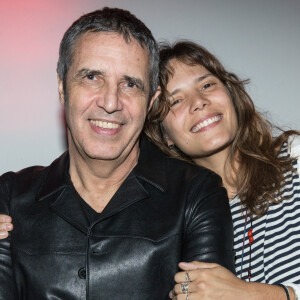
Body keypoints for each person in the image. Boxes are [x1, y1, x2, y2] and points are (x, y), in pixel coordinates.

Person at [0, 9, 235, 299]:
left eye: (130, 84)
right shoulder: (10, 196)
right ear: (62, 89)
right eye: (92, 77)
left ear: (151, 102)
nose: (111, 102)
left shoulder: (198, 193)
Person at [144, 40, 300, 299]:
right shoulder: (177, 225)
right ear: (165, 135)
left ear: (230, 95)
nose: (199, 102)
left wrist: (263, 295)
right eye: (176, 101)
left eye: (207, 85)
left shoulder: (294, 158)